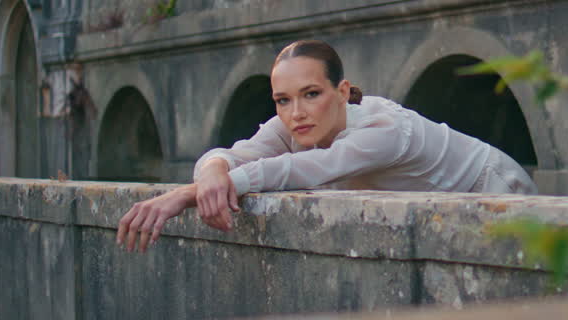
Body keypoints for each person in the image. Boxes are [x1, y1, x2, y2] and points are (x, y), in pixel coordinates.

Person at [116, 39, 536, 252]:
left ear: (342, 91)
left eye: (311, 94)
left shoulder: (384, 129)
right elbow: (235, 154)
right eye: (283, 100)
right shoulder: (295, 124)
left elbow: (307, 170)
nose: (296, 112)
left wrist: (184, 196)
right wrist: (211, 172)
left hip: (495, 188)